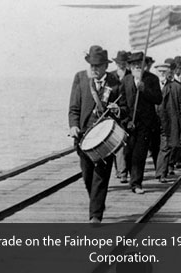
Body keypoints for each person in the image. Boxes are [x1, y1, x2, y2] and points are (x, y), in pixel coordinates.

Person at [68, 45, 128, 223]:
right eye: (91, 65)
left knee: (101, 176)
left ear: (105, 67)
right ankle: (97, 204)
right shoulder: (80, 78)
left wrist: (117, 110)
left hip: (105, 138)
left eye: (97, 66)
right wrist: (73, 126)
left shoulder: (116, 82)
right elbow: (73, 108)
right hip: (84, 137)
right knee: (87, 175)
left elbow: (126, 109)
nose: (93, 69)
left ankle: (95, 216)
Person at [121, 52, 163, 194]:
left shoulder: (152, 79)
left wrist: (144, 89)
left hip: (145, 124)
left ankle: (136, 184)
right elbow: (122, 102)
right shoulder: (126, 80)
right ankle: (127, 173)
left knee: (139, 154)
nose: (137, 67)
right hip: (128, 124)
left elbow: (158, 99)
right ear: (130, 67)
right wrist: (125, 120)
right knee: (127, 153)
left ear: (145, 65)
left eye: (140, 64)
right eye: (134, 65)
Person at [154, 62, 181, 182]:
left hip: (168, 122)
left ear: (169, 73)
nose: (162, 74)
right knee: (154, 148)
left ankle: (161, 173)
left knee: (166, 146)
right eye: (160, 72)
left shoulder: (176, 87)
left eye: (165, 71)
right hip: (152, 121)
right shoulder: (151, 86)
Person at [110, 50, 131, 183]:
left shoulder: (130, 75)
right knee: (114, 145)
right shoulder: (110, 76)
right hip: (112, 115)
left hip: (126, 113)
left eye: (123, 63)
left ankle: (123, 172)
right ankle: (119, 170)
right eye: (119, 63)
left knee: (124, 145)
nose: (121, 65)